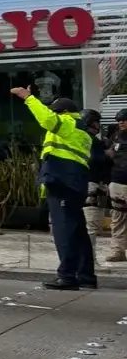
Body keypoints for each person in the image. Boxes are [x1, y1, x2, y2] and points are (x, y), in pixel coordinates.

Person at [10, 87, 95, 290]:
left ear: (61, 112)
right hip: (72, 183)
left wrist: (29, 98)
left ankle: (67, 276)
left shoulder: (68, 123)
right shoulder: (80, 129)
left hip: (63, 184)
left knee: (64, 231)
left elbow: (47, 119)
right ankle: (86, 276)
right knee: (77, 232)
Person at [79, 109, 110, 261]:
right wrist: (107, 153)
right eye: (97, 122)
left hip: (81, 184)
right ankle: (89, 261)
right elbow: (98, 161)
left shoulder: (78, 138)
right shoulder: (93, 142)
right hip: (92, 185)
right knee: (91, 226)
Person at [103, 108, 127, 262]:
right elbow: (109, 156)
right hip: (118, 182)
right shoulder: (115, 137)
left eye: (124, 119)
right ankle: (118, 251)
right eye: (119, 120)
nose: (121, 122)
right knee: (118, 218)